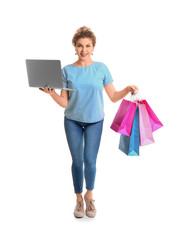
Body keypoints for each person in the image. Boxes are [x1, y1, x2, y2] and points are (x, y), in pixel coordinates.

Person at [39, 26, 138, 218]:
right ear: (74, 47)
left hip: (95, 121)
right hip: (72, 121)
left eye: (87, 45)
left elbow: (113, 96)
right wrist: (51, 94)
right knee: (77, 161)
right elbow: (64, 102)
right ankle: (78, 200)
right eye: (79, 46)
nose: (83, 49)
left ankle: (89, 196)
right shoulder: (66, 71)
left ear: (93, 47)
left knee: (90, 161)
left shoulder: (101, 68)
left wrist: (126, 89)